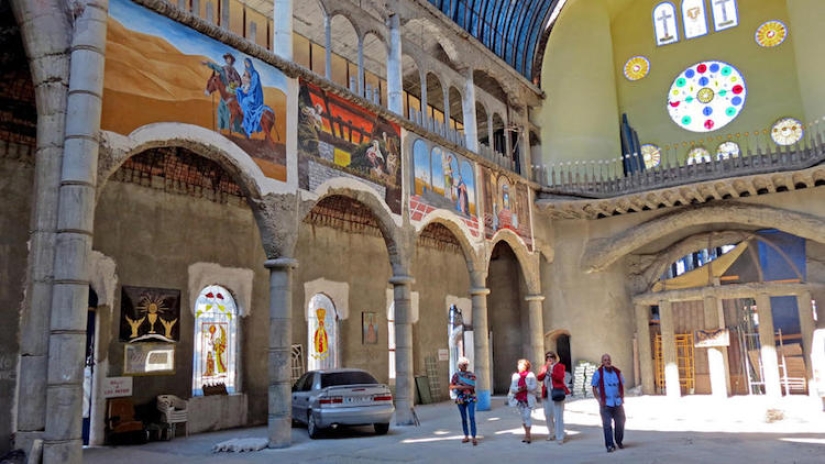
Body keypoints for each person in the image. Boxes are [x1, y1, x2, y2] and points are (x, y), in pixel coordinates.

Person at [591, 353, 626, 453]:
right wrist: (598, 399)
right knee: (607, 424)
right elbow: (594, 387)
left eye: (609, 359)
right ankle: (610, 445)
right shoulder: (598, 373)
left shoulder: (617, 372)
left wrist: (622, 397)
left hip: (617, 402)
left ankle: (619, 441)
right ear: (602, 362)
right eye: (605, 360)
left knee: (620, 422)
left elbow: (622, 384)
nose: (608, 361)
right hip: (605, 403)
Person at [537, 351, 569, 444]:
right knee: (547, 414)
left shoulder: (560, 366)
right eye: (547, 357)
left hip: (557, 392)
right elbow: (539, 378)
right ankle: (551, 433)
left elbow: (560, 377)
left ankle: (560, 436)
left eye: (551, 357)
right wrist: (545, 370)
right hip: (547, 393)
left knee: (558, 415)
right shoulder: (544, 367)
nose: (549, 359)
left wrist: (551, 372)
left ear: (555, 358)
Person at [449, 357, 478, 446]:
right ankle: (466, 435)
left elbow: (472, 386)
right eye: (462, 365)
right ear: (459, 365)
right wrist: (461, 387)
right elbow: (451, 386)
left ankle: (473, 436)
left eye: (465, 365)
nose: (464, 366)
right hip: (460, 398)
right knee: (463, 418)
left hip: (470, 397)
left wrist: (460, 387)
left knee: (472, 417)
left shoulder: (471, 375)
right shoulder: (456, 375)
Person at [508, 358, 538, 443]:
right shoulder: (515, 376)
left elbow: (534, 386)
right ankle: (526, 433)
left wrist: (527, 387)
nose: (519, 366)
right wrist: (519, 389)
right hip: (519, 399)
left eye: (521, 365)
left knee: (527, 416)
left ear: (526, 366)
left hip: (528, 399)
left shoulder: (530, 375)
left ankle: (528, 435)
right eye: (518, 365)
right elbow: (512, 388)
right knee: (523, 417)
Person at [235, 57, 265, 139]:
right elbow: (244, 80)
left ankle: (247, 125)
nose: (246, 65)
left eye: (247, 63)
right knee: (238, 90)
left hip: (255, 96)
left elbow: (254, 86)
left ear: (250, 64)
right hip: (248, 91)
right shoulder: (247, 71)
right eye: (245, 64)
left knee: (245, 101)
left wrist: (247, 92)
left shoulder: (255, 74)